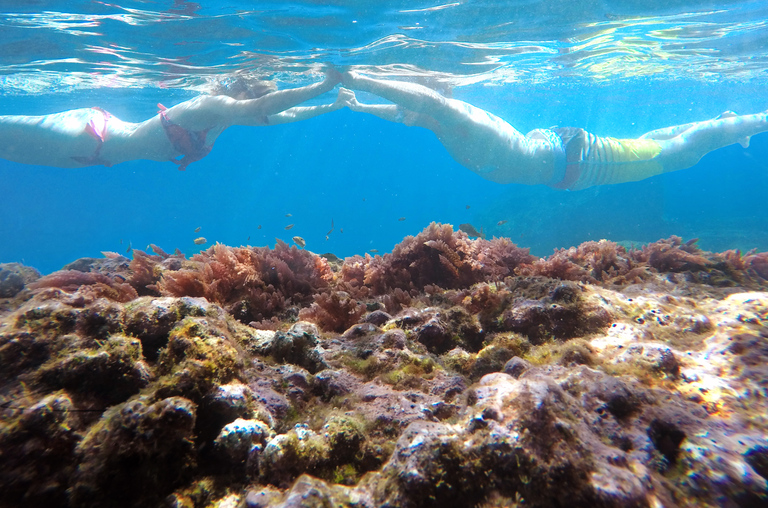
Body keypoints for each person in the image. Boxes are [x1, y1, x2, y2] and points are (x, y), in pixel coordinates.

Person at [338, 71, 768, 190]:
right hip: (561, 155)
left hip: (570, 162)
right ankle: (727, 127)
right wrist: (361, 104)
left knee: (674, 153)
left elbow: (427, 104)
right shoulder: (452, 128)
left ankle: (756, 120)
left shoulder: (463, 126)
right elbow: (414, 112)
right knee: (656, 147)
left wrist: (359, 81)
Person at [0, 70, 343, 171]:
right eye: (255, 99)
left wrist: (333, 105)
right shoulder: (211, 104)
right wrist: (324, 85)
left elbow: (279, 116)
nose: (259, 107)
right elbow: (263, 108)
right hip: (87, 134)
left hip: (91, 158)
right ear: (243, 92)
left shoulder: (224, 119)